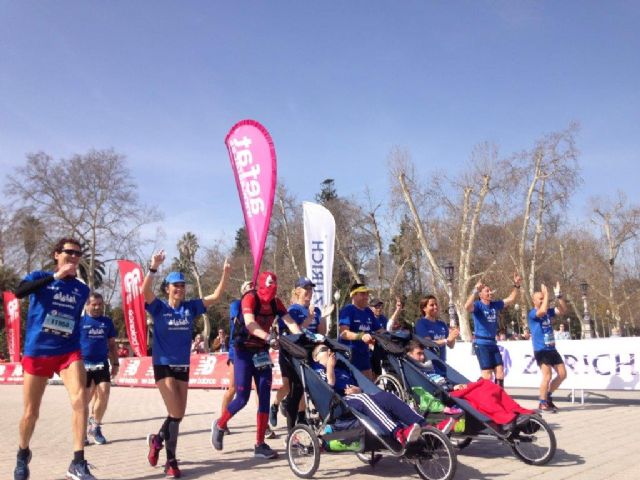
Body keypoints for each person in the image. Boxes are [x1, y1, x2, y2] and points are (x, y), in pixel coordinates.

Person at [12, 237, 94, 480]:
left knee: (80, 400)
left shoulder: (82, 289)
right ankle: (22, 453)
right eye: (69, 252)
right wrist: (56, 277)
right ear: (57, 254)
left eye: (78, 254)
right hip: (38, 351)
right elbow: (18, 292)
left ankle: (78, 461)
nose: (74, 257)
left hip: (68, 350)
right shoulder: (39, 277)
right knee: (30, 413)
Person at [143, 250, 230, 478]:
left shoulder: (190, 307)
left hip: (183, 365)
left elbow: (216, 296)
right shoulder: (159, 307)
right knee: (174, 411)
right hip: (163, 365)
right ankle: (171, 461)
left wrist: (226, 274)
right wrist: (153, 268)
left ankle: (157, 439)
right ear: (167, 289)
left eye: (183, 286)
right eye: (176, 285)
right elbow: (144, 291)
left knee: (178, 415)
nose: (180, 289)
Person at [211, 271, 302, 460]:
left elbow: (290, 322)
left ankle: (260, 444)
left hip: (261, 352)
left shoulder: (276, 303)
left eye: (274, 286)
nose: (272, 290)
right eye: (269, 286)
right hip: (243, 351)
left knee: (264, 396)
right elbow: (250, 324)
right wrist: (269, 337)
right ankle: (220, 424)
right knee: (242, 397)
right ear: (261, 285)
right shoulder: (249, 298)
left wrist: (302, 338)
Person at [311, 344, 425, 446]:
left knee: (387, 397)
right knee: (363, 398)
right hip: (339, 402)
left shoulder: (341, 368)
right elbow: (329, 385)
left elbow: (356, 387)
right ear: (316, 357)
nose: (329, 351)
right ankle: (398, 433)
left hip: (357, 396)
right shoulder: (317, 369)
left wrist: (358, 389)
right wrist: (330, 366)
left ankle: (424, 426)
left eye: (330, 349)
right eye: (324, 349)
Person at [269, 276, 329, 431]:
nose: (310, 292)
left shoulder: (316, 310)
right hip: (290, 354)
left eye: (311, 289)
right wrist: (308, 320)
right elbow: (293, 334)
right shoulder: (292, 310)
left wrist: (323, 319)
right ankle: (275, 407)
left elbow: (321, 334)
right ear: (297, 291)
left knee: (302, 388)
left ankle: (302, 422)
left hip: (308, 354)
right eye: (306, 289)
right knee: (289, 387)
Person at [464, 273, 522, 387]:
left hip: (492, 343)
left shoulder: (495, 305)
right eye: (487, 291)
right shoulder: (478, 306)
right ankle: (483, 394)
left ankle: (500, 398)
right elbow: (467, 306)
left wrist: (517, 285)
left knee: (500, 373)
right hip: (481, 344)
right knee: (487, 375)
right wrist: (475, 290)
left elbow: (511, 299)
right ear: (480, 295)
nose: (490, 293)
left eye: (490, 291)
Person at [81, 292, 118, 445]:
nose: (97, 307)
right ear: (87, 305)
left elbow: (112, 345)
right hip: (83, 365)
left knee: (104, 393)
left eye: (99, 305)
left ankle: (95, 426)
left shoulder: (107, 322)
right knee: (85, 400)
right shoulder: (79, 321)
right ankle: (81, 432)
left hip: (101, 364)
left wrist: (115, 363)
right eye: (93, 304)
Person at [528, 282, 568, 413]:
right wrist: (546, 295)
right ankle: (542, 402)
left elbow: (563, 310)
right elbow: (542, 310)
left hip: (551, 348)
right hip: (541, 349)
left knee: (562, 374)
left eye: (543, 298)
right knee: (547, 375)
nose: (543, 300)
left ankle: (548, 396)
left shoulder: (548, 312)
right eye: (540, 298)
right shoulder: (533, 313)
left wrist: (559, 296)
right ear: (534, 301)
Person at [338, 283, 385, 381]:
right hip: (350, 355)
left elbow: (379, 330)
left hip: (364, 354)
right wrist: (361, 336)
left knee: (369, 384)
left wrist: (393, 335)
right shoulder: (348, 310)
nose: (366, 297)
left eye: (367, 294)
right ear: (353, 295)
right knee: (354, 386)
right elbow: (343, 333)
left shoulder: (368, 311)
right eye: (362, 294)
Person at [414, 295, 459, 376]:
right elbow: (428, 343)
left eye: (436, 304)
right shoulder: (421, 323)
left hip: (442, 364)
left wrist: (453, 336)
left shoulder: (441, 324)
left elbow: (451, 345)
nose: (435, 307)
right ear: (424, 308)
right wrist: (446, 340)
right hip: (428, 365)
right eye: (431, 305)